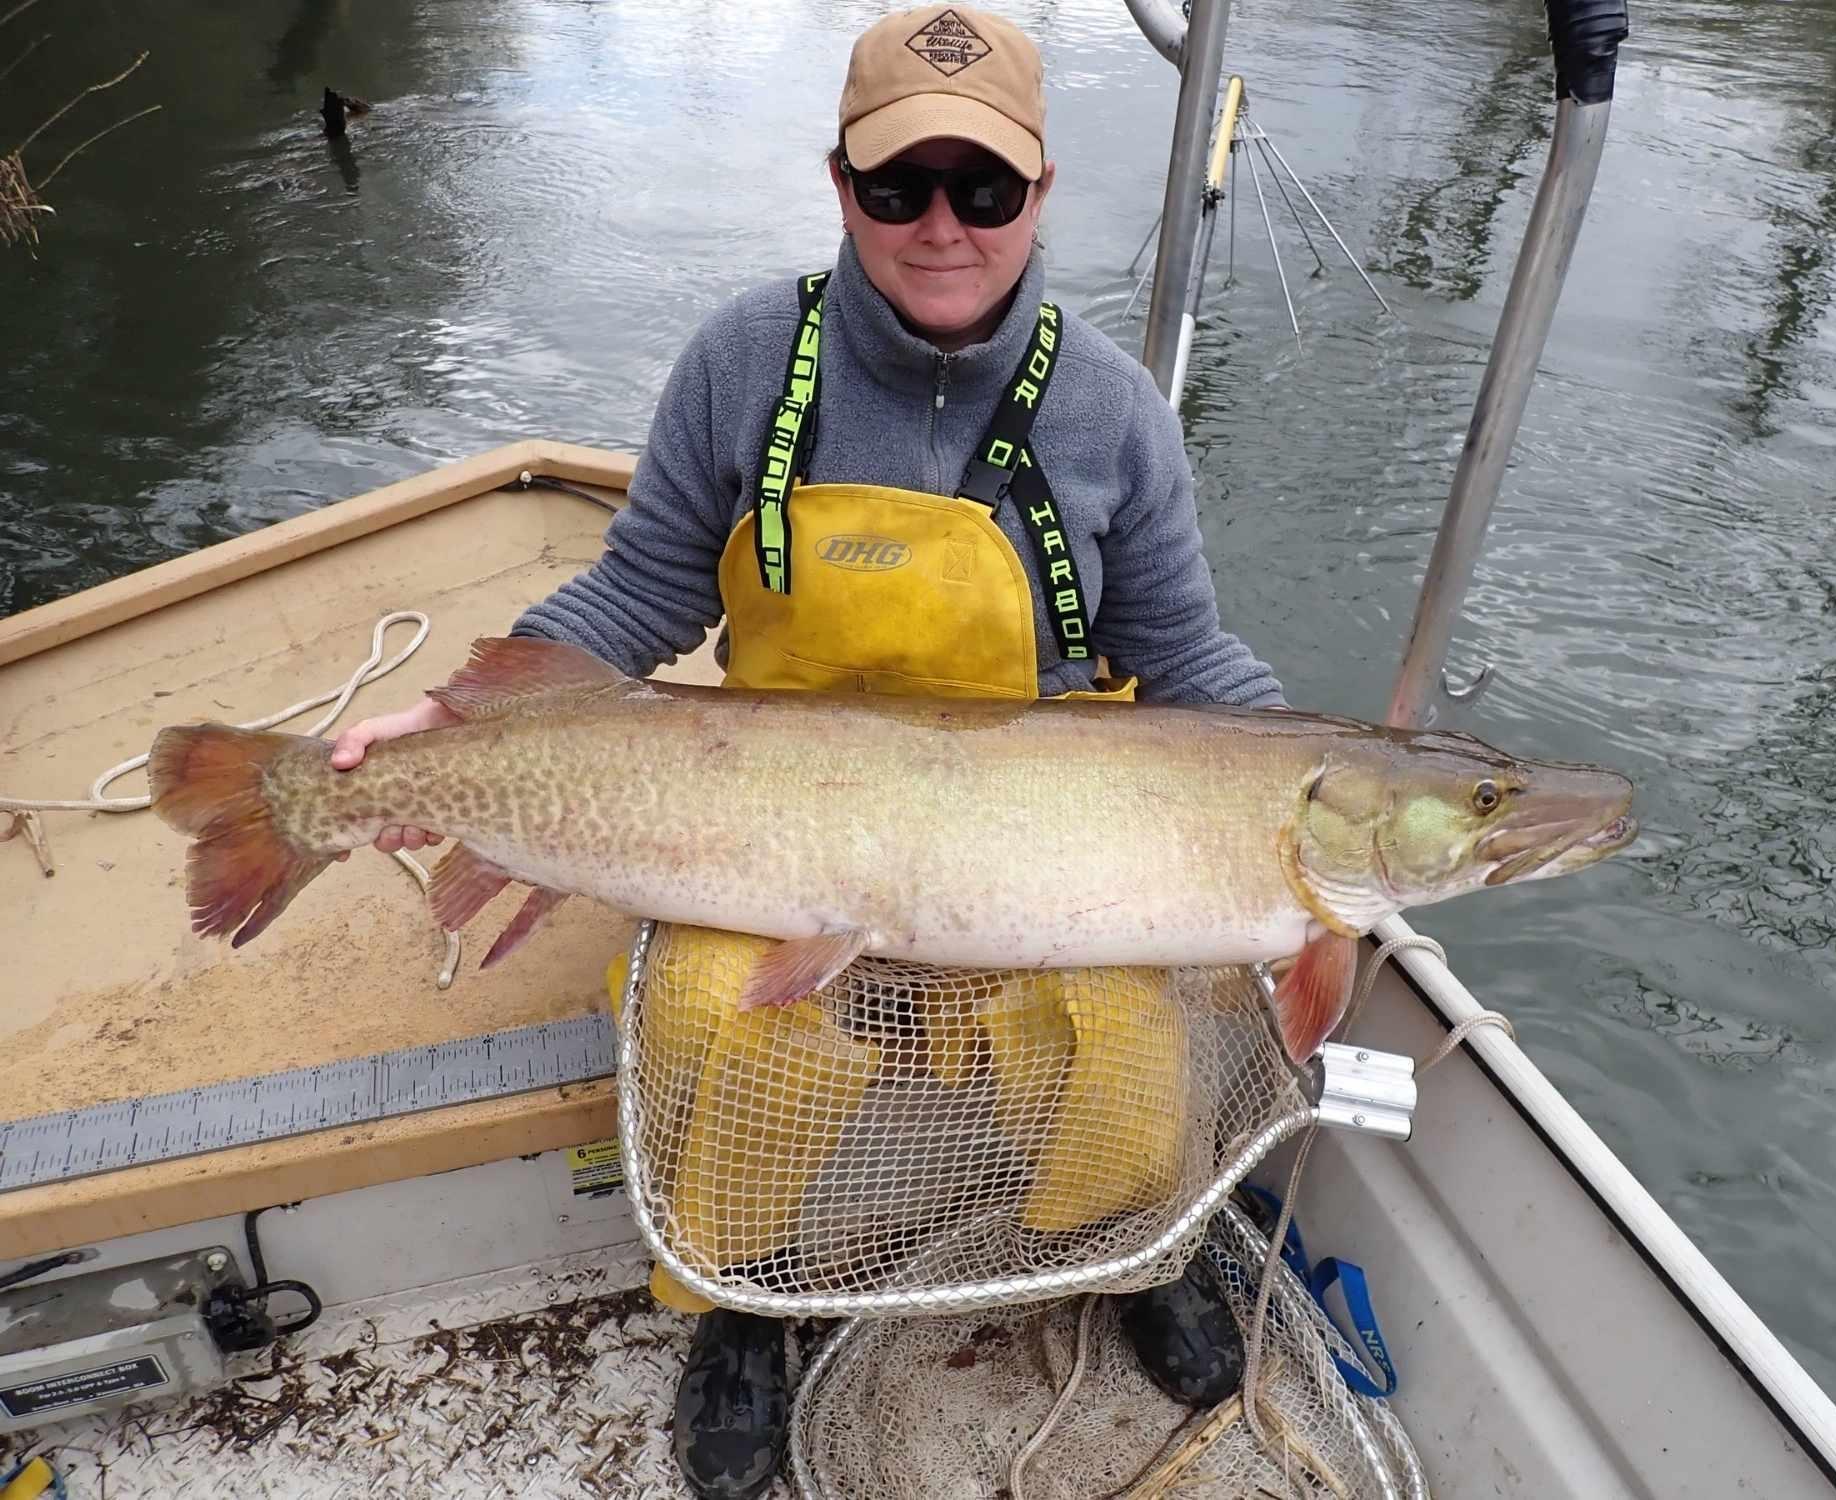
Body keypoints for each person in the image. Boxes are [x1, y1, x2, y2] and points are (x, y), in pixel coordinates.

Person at [332, 7, 1283, 1496]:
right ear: (841, 184)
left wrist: (1308, 779)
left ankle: (1126, 1250)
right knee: (715, 1021)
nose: (943, 225)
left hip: (1027, 828)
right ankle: (742, 1300)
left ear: (1041, 193)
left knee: (1134, 1040)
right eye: (900, 185)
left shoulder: (1114, 411)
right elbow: (641, 589)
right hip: (774, 817)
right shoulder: (744, 357)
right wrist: (468, 721)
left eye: (985, 186)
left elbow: (1187, 656)